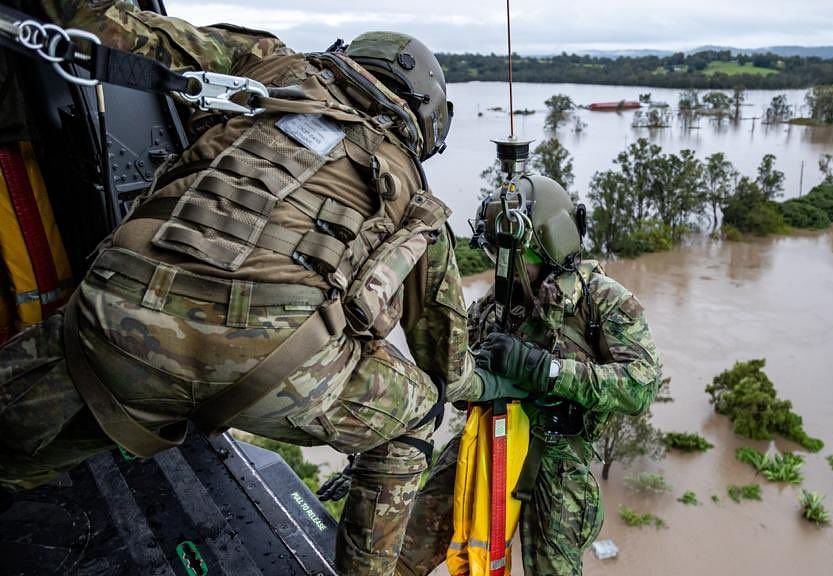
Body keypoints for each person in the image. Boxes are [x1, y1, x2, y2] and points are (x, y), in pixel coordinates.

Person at [0, 2, 479, 573]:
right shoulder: (419, 207)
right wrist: (485, 378)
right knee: (417, 418)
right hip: (276, 370)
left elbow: (115, 30)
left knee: (35, 429)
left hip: (122, 319)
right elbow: (447, 367)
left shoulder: (272, 68)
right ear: (425, 115)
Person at [396, 175, 663, 576]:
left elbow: (641, 384)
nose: (503, 267)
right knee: (409, 546)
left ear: (547, 243)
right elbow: (453, 363)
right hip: (488, 435)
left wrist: (545, 370)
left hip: (557, 461)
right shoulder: (500, 302)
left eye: (513, 255)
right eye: (497, 254)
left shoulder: (602, 301)